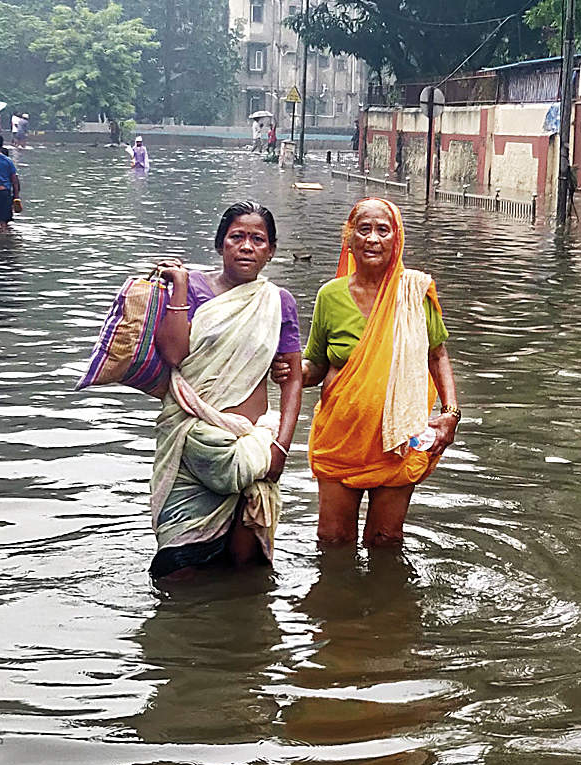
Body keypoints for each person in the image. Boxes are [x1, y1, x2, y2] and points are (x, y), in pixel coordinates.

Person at [274, 197, 460, 547]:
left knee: (386, 540)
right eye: (364, 230)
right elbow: (315, 364)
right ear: (349, 239)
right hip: (341, 438)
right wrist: (290, 368)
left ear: (397, 239)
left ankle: (386, 602)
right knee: (332, 541)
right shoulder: (331, 296)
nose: (373, 239)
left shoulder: (414, 293)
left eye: (382, 230)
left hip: (400, 441)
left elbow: (437, 356)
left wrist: (450, 414)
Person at [150, 201, 304, 580]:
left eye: (258, 239)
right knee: (177, 572)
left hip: (253, 448)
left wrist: (281, 446)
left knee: (246, 571)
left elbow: (294, 377)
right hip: (191, 443)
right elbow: (172, 353)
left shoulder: (277, 302)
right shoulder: (193, 288)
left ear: (270, 251)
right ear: (221, 245)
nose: (247, 246)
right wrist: (182, 287)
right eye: (237, 237)